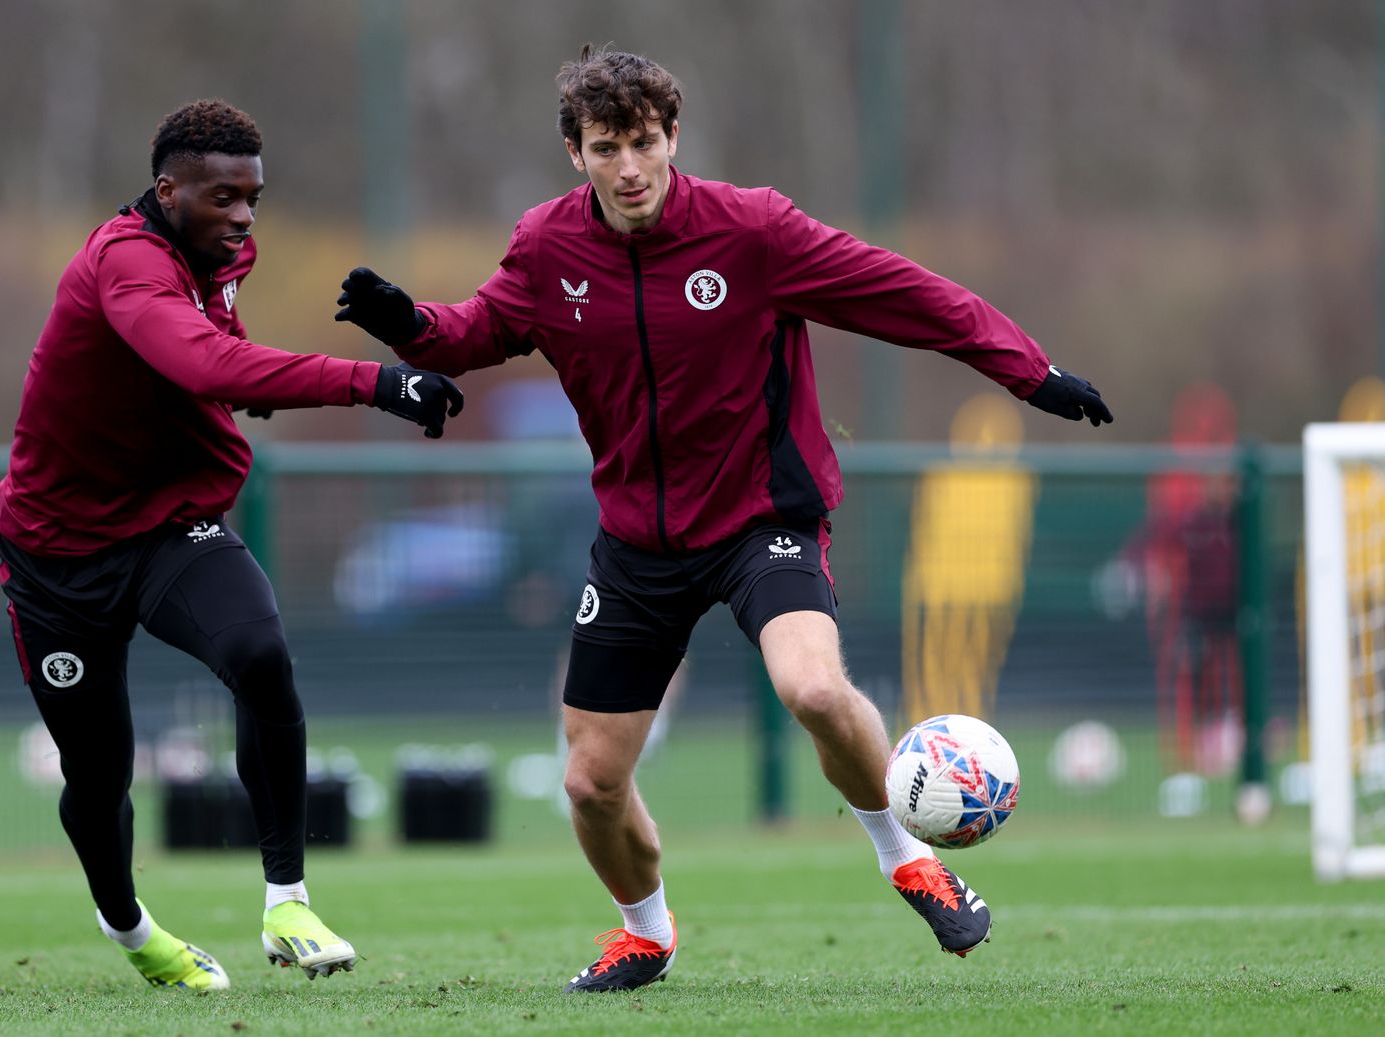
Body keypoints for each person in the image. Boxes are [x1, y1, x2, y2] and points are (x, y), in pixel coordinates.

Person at [332, 48, 1111, 993]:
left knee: (815, 691)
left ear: (674, 139)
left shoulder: (753, 231)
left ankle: (909, 855)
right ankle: (646, 932)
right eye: (608, 146)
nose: (630, 168)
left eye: (646, 143)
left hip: (761, 520)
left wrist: (1028, 371)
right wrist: (404, 323)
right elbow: (471, 334)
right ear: (575, 154)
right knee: (589, 782)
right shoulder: (546, 248)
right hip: (636, 545)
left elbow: (907, 293)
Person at [0, 99, 464, 992]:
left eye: (253, 197)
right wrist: (372, 383)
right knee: (99, 774)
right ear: (167, 191)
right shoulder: (124, 263)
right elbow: (204, 364)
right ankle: (131, 928)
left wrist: (277, 373)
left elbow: (221, 353)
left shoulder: (225, 252)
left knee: (259, 653)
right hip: (58, 554)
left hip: (171, 523)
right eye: (223, 198)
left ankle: (287, 901)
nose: (244, 217)